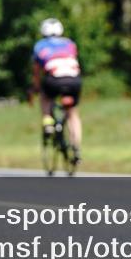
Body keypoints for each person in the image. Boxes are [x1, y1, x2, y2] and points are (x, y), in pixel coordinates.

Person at [32, 18, 83, 164]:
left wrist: (35, 87)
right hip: (74, 80)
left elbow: (37, 71)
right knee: (73, 114)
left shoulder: (40, 45)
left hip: (54, 79)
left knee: (45, 96)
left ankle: (48, 122)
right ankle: (76, 148)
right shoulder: (70, 43)